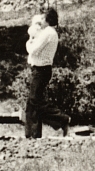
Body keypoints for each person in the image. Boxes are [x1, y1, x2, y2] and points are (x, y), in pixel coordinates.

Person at [24, 8, 70, 139]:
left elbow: (33, 50)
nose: (41, 21)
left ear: (48, 20)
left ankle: (62, 119)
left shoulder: (48, 33)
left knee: (35, 100)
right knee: (32, 103)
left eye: (43, 18)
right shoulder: (50, 32)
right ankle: (32, 134)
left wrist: (29, 41)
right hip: (41, 70)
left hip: (41, 70)